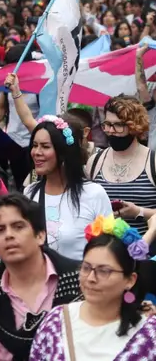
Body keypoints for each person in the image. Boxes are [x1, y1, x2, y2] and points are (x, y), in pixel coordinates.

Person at [0, 193, 84, 361]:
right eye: (0, 230)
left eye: (18, 226)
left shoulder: (79, 281)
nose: (9, 235)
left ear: (40, 235)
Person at [29, 216, 156, 360]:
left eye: (104, 271)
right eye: (86, 268)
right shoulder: (56, 322)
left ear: (130, 280)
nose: (91, 278)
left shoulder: (148, 335)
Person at [23, 116, 112, 260]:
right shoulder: (29, 193)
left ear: (63, 153)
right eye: (34, 145)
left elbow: (108, 249)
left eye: (45, 146)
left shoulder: (93, 194)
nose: (36, 152)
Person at [87, 95, 156, 236]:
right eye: (107, 124)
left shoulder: (153, 162)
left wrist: (138, 212)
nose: (111, 130)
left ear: (134, 126)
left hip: (145, 251)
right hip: (104, 251)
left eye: (118, 125)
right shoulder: (94, 162)